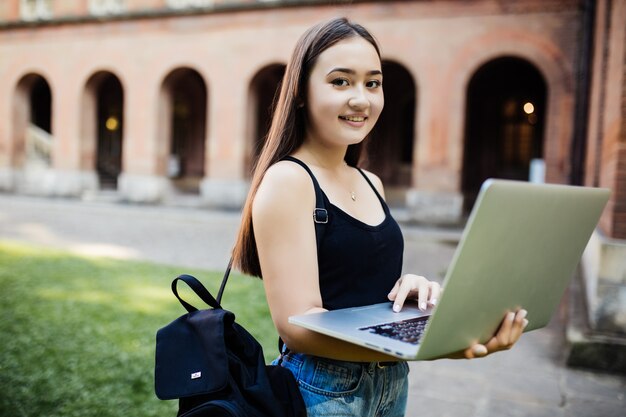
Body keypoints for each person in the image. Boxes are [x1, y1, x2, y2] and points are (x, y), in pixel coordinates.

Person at [232, 17, 529, 417]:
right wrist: (426, 345)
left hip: (391, 383)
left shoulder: (371, 182)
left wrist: (408, 295)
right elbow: (298, 328)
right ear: (300, 93)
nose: (362, 99)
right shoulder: (289, 180)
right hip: (324, 391)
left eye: (373, 83)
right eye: (341, 82)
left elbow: (360, 287)